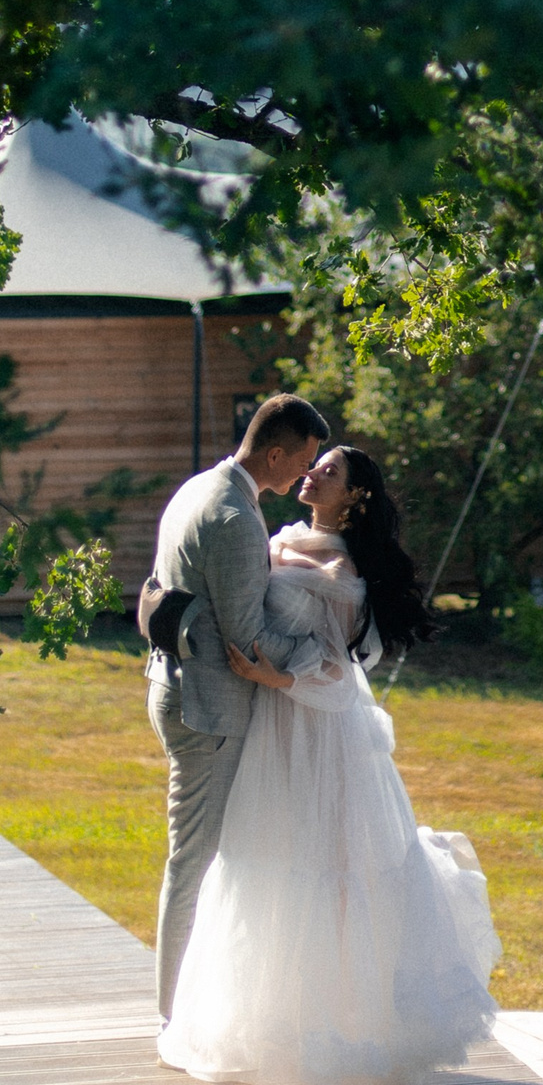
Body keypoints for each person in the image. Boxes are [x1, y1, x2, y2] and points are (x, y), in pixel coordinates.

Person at [158, 444, 499, 1085]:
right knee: (266, 860)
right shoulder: (279, 538)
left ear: (354, 496)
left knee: (333, 870)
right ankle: (272, 1027)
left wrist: (278, 678)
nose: (312, 473)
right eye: (314, 464)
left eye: (329, 470)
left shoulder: (344, 573)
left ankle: (345, 1032)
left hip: (319, 731)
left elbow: (342, 674)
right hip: (272, 731)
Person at [144, 393, 330, 1020]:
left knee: (201, 859)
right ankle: (174, 1019)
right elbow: (246, 638)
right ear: (274, 454)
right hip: (208, 710)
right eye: (302, 460)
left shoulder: (198, 487)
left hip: (175, 688)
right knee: (193, 864)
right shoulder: (234, 518)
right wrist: (316, 652)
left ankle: (200, 1005)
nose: (305, 473)